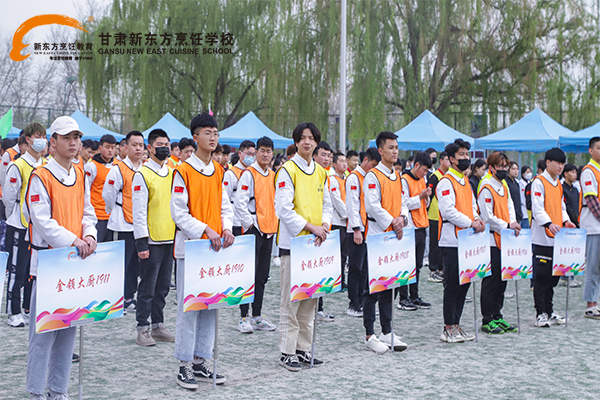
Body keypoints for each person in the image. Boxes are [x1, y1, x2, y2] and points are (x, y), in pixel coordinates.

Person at [25, 116, 97, 399]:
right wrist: (74, 240)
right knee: (43, 335)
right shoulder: (40, 176)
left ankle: (58, 390)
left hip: (75, 262)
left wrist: (89, 234)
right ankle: (35, 392)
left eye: (76, 138)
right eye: (67, 138)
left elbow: (88, 211)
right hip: (49, 263)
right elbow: (43, 222)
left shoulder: (79, 174)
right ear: (52, 143)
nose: (74, 143)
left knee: (69, 331)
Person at [171, 113, 232, 389]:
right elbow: (179, 213)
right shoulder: (183, 170)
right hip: (192, 248)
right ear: (195, 137)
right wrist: (205, 229)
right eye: (207, 133)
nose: (213, 137)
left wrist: (227, 227)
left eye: (215, 133)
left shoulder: (219, 170)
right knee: (190, 307)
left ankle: (201, 360)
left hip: (215, 248)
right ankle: (183, 364)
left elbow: (225, 206)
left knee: (211, 304)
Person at [274, 122, 332, 371]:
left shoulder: (321, 172)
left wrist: (325, 226)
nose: (307, 142)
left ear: (317, 143)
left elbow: (327, 205)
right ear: (296, 142)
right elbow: (284, 209)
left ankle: (303, 349)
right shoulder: (287, 170)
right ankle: (287, 352)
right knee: (291, 301)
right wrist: (311, 226)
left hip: (315, 244)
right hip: (293, 244)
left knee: (310, 299)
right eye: (303, 138)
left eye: (311, 138)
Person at [362, 131, 408, 354]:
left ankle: (387, 330)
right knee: (374, 287)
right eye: (391, 147)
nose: (395, 151)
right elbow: (372, 206)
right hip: (377, 237)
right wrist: (393, 221)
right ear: (380, 151)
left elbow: (403, 203)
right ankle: (369, 334)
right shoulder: (373, 176)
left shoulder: (397, 176)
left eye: (396, 147)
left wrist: (403, 218)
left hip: (394, 237)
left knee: (392, 285)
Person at [132, 129, 176, 347]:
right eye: (160, 144)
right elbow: (139, 211)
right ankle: (143, 328)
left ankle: (158, 325)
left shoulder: (172, 172)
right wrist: (141, 242)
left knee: (163, 287)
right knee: (147, 287)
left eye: (167, 144)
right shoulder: (142, 174)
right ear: (149, 148)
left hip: (170, 239)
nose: (164, 148)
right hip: (151, 241)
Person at [437, 139, 483, 343]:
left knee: (464, 284)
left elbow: (472, 205)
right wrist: (471, 223)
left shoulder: (465, 181)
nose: (465, 158)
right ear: (451, 159)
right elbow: (448, 211)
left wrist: (477, 219)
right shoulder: (446, 182)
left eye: (467, 155)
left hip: (467, 240)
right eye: (461, 155)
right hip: (452, 241)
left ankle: (456, 324)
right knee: (452, 286)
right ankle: (448, 327)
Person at [3, 122, 45, 328]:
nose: (42, 141)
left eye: (44, 137)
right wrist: (15, 216)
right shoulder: (17, 165)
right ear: (27, 140)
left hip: (39, 227)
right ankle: (14, 312)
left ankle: (29, 308)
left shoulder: (45, 164)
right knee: (17, 271)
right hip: (19, 225)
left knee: (33, 272)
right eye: (38, 136)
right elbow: (9, 198)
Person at [234, 136, 278, 334]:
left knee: (262, 276)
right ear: (256, 152)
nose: (265, 154)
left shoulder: (274, 175)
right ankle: (243, 317)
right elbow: (240, 203)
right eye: (262, 150)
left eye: (269, 151)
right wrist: (251, 225)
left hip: (269, 231)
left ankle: (257, 315)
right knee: (247, 276)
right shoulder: (248, 174)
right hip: (254, 230)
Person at [531, 148, 575, 327]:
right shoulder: (539, 182)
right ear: (548, 162)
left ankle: (549, 311)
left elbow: (561, 207)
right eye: (557, 162)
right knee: (541, 277)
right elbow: (537, 208)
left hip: (558, 237)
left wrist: (566, 221)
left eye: (563, 163)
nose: (561, 166)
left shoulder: (558, 184)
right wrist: (549, 224)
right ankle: (540, 313)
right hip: (542, 238)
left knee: (554, 277)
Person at [477, 152, 520, 334]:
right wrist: (507, 225)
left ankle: (497, 314)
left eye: (505, 166)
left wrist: (513, 223)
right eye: (500, 166)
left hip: (505, 238)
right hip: (492, 239)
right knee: (491, 281)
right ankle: (487, 319)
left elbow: (510, 206)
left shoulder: (503, 185)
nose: (503, 170)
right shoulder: (486, 186)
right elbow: (487, 216)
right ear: (491, 167)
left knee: (503, 280)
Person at [103, 131, 145, 313]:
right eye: (134, 145)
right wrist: (116, 212)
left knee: (136, 265)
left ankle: (129, 297)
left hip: (140, 226)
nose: (138, 148)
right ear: (125, 147)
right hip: (122, 223)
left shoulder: (146, 168)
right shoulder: (117, 169)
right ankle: (114, 298)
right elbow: (108, 196)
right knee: (121, 263)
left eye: (141, 145)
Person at [345, 147, 380, 318]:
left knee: (365, 268)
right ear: (365, 160)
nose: (374, 168)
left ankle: (363, 300)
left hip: (367, 229)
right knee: (355, 267)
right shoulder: (354, 178)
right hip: (356, 230)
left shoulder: (368, 177)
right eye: (373, 164)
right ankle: (354, 303)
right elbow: (352, 206)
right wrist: (356, 229)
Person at [397, 152, 432, 311]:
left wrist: (426, 197)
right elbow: (404, 204)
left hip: (421, 225)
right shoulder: (404, 180)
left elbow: (424, 202)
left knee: (417, 264)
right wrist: (420, 197)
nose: (425, 174)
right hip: (409, 227)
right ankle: (403, 298)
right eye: (424, 170)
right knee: (407, 264)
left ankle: (414, 296)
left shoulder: (422, 179)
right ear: (416, 165)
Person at [311, 140, 336, 322]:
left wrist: (326, 225)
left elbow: (329, 204)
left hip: (324, 229)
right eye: (323, 155)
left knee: (322, 270)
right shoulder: (309, 173)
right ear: (314, 155)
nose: (326, 159)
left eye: (329, 156)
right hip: (309, 230)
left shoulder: (327, 175)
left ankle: (319, 307)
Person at [581, 137, 600, 319]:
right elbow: (591, 199)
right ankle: (590, 305)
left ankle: (596, 302)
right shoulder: (589, 171)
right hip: (594, 226)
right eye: (599, 148)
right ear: (591, 151)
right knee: (593, 266)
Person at [85, 134, 116, 243]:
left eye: (113, 147)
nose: (110, 150)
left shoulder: (116, 166)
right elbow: (85, 191)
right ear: (100, 148)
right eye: (107, 147)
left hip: (112, 217)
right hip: (97, 216)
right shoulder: (91, 166)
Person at [223, 140, 256, 236]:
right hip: (236, 220)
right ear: (240, 153)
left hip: (251, 219)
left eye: (253, 154)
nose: (251, 157)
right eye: (248, 153)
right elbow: (226, 198)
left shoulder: (253, 172)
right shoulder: (231, 173)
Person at [427, 151, 450, 283]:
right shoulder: (435, 177)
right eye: (447, 159)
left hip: (443, 217)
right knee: (434, 244)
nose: (449, 162)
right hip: (435, 215)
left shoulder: (447, 177)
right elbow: (428, 197)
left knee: (442, 243)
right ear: (441, 161)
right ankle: (433, 270)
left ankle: (441, 269)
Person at [329, 152, 349, 290]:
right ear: (334, 164)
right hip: (337, 221)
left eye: (345, 161)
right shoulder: (333, 179)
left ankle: (342, 280)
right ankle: (336, 281)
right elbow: (337, 200)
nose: (344, 164)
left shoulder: (347, 179)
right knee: (336, 254)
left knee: (344, 255)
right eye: (341, 161)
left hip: (347, 222)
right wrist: (349, 214)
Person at [562, 163, 580, 228]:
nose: (575, 175)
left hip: (577, 223)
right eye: (572, 172)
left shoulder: (575, 190)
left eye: (576, 173)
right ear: (565, 174)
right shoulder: (562, 189)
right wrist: (575, 220)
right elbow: (567, 207)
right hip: (567, 223)